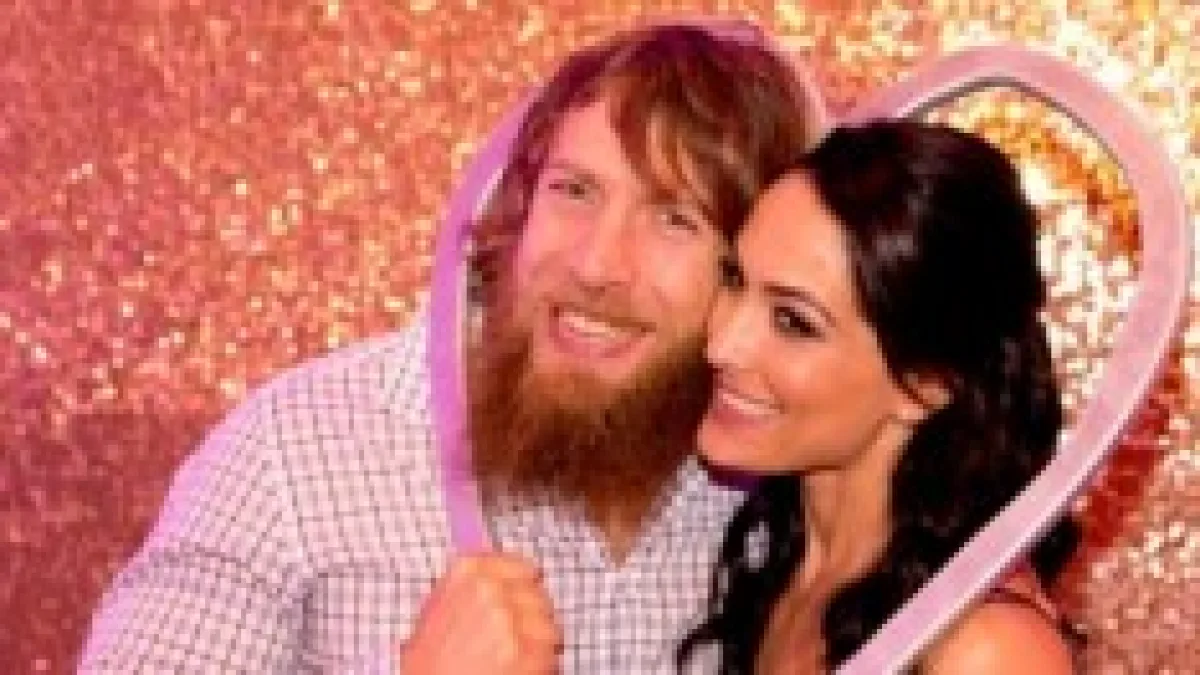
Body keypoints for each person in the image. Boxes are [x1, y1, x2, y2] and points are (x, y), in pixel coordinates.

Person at [79, 22, 819, 673]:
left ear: (756, 265)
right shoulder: (291, 453)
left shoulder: (794, 482)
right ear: (518, 204)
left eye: (675, 218)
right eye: (574, 191)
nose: (596, 265)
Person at [678, 120, 1082, 674]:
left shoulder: (985, 650)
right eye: (733, 278)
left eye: (793, 322)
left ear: (927, 383)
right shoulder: (783, 570)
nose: (722, 344)